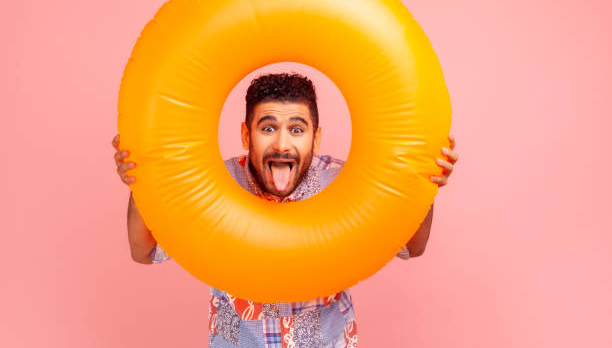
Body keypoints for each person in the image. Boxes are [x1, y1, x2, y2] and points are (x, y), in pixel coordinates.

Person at [112, 73, 459, 348]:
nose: (281, 144)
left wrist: (424, 187)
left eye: (296, 129)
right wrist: (141, 183)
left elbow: (413, 246)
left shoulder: (345, 183)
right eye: (268, 128)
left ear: (316, 138)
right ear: (247, 136)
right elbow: (144, 251)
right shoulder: (213, 183)